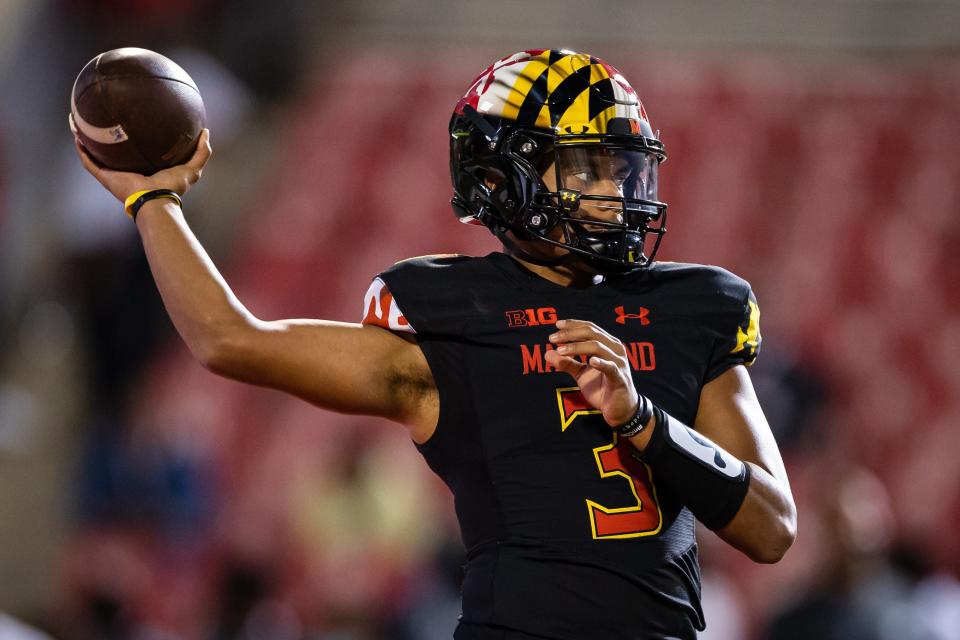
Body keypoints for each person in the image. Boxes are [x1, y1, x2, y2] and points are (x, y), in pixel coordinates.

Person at [75, 48, 796, 640]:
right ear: (502, 177)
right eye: (586, 166)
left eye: (622, 165)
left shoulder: (693, 306)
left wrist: (643, 420)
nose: (617, 189)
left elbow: (772, 528)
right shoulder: (456, 314)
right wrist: (152, 203)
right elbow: (230, 339)